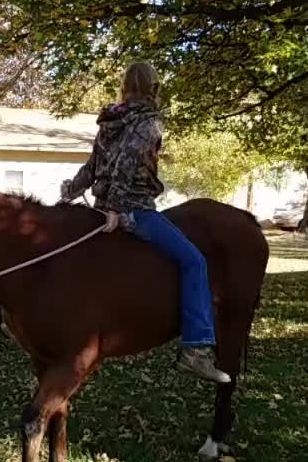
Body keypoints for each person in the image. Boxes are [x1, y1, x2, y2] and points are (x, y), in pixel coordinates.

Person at [59, 61, 230, 384]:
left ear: (124, 86)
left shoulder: (110, 120)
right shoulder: (149, 123)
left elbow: (93, 165)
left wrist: (73, 189)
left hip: (102, 208)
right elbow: (126, 164)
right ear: (153, 87)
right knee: (194, 262)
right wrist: (119, 212)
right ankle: (196, 349)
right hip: (135, 210)